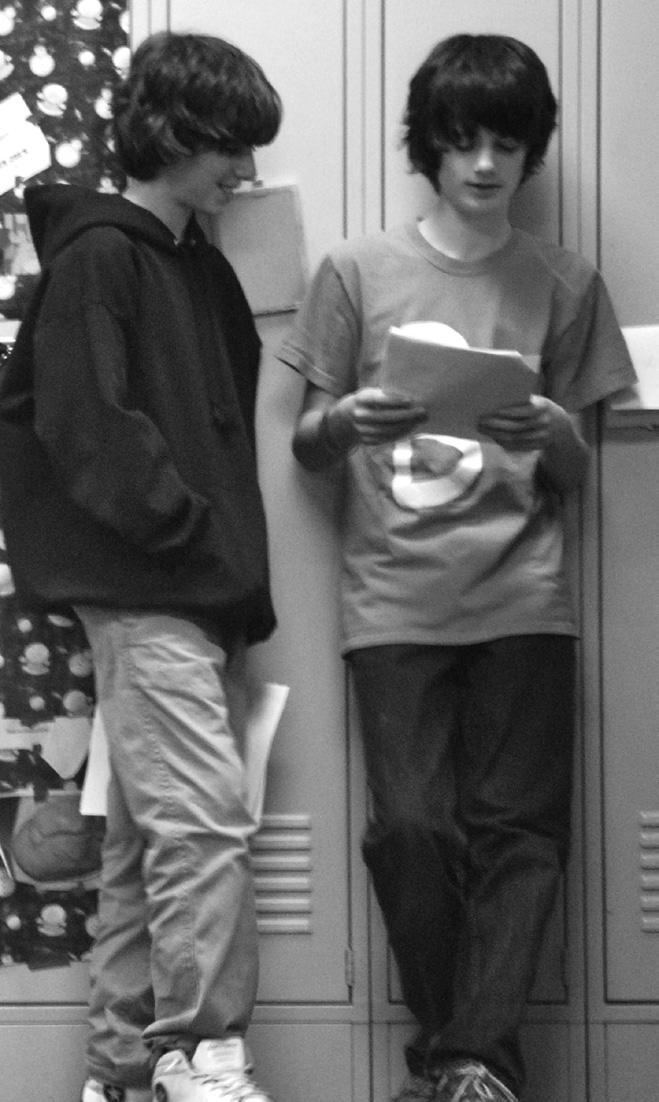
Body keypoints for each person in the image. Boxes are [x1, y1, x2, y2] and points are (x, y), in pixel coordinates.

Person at [278, 32, 636, 1102]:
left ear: (532, 152)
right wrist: (346, 419)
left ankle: (464, 1065)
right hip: (393, 602)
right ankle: (463, 1055)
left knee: (520, 836)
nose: (484, 164)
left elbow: (578, 470)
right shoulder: (354, 270)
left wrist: (550, 432)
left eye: (506, 144)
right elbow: (304, 445)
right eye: (463, 140)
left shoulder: (564, 282)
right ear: (426, 146)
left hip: (524, 599)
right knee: (411, 831)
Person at [0, 31, 282, 1102]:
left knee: (137, 843)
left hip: (192, 595)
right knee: (204, 821)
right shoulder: (102, 257)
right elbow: (87, 427)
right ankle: (200, 1054)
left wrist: (219, 568)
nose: (245, 171)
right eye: (231, 147)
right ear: (174, 133)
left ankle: (120, 1074)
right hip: (152, 588)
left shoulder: (193, 266)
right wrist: (189, 535)